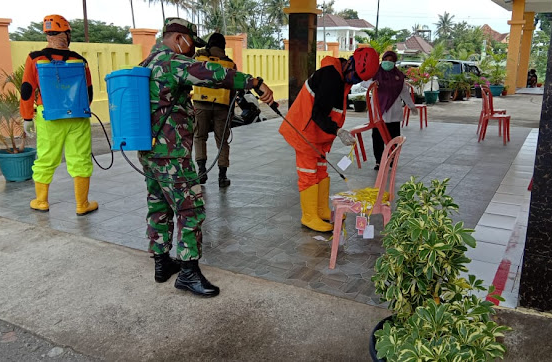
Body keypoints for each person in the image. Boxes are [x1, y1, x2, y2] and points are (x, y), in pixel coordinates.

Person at [139, 18, 273, 297]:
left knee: (158, 205)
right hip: (172, 154)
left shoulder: (146, 63)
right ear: (178, 38)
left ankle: (162, 263)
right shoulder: (172, 62)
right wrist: (255, 83)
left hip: (149, 151)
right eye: (190, 44)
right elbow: (214, 74)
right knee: (190, 209)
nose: (191, 51)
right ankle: (188, 272)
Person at [279, 47, 380, 233]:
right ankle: (309, 216)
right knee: (308, 173)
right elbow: (317, 114)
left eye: (359, 80)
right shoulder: (330, 77)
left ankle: (320, 210)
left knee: (321, 171)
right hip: (305, 132)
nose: (354, 81)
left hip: (320, 135)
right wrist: (338, 131)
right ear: (350, 63)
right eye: (355, 76)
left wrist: (334, 132)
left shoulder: (341, 78)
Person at [21, 14, 98, 216]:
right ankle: (82, 204)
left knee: (46, 157)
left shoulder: (35, 58)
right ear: (66, 33)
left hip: (49, 115)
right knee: (80, 158)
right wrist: (77, 109)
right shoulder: (79, 60)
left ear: (47, 35)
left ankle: (41, 201)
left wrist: (27, 117)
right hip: (78, 115)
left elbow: (27, 89)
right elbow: (88, 91)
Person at [192, 32, 234, 188]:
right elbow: (234, 86)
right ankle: (222, 177)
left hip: (201, 104)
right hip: (222, 106)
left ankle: (201, 171)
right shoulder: (229, 63)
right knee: (222, 140)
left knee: (199, 136)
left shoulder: (199, 59)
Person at [371, 51, 417, 170]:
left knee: (394, 138)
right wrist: (372, 83)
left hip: (394, 112)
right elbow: (365, 83)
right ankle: (378, 161)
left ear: (395, 62)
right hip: (378, 111)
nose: (388, 63)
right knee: (377, 138)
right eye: (386, 60)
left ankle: (392, 160)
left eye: (391, 61)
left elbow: (404, 92)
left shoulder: (398, 76)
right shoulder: (375, 73)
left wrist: (411, 105)